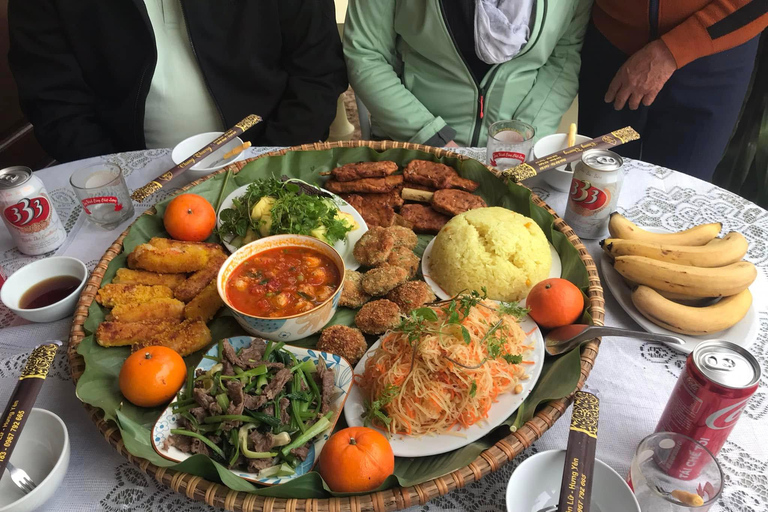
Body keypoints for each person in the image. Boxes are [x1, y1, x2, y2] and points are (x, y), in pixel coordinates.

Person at [8, 0, 348, 163]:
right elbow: (54, 101)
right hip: (127, 171)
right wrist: (118, 177)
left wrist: (268, 158)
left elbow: (317, 70)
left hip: (269, 152)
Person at [343, 0, 592, 147]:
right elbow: (366, 53)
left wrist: (526, 133)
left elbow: (564, 59)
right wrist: (432, 137)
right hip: (413, 142)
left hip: (516, 152)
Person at [578, 0, 768, 182]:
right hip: (611, 47)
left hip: (713, 58)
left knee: (678, 195)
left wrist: (676, 48)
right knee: (593, 187)